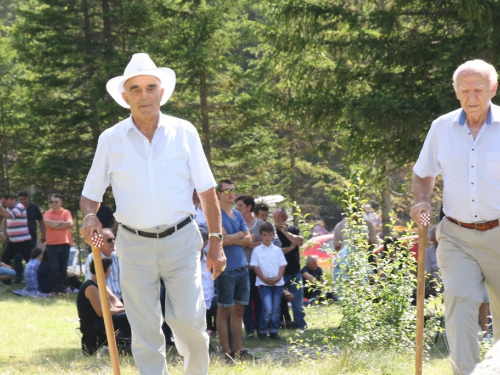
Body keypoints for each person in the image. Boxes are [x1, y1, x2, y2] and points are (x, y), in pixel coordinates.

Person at [80, 53, 225, 375]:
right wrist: (90, 217)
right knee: (144, 328)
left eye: (151, 87)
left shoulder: (184, 132)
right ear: (124, 96)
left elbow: (206, 191)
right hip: (133, 244)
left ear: (162, 92)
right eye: (136, 89)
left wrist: (216, 243)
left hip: (182, 240)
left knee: (189, 321)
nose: (144, 95)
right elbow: (90, 196)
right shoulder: (111, 139)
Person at [410, 59, 500, 374]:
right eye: (464, 90)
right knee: (460, 303)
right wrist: (422, 201)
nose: (471, 97)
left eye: (478, 89)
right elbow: (423, 173)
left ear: (493, 89)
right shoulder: (441, 127)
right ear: (455, 92)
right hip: (456, 234)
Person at [216, 179, 253, 360]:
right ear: (219, 194)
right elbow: (223, 241)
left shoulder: (237, 215)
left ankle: (239, 350)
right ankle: (227, 352)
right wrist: (240, 235)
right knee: (224, 311)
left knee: (239, 311)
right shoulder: (216, 215)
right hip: (225, 270)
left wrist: (234, 236)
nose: (231, 193)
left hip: (242, 268)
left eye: (233, 190)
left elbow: (249, 240)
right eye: (227, 191)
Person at [77, 257, 131, 354]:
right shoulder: (91, 287)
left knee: (130, 314)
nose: (110, 269)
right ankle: (123, 346)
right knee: (128, 316)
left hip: (100, 320)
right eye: (109, 267)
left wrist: (121, 307)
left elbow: (114, 300)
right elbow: (101, 313)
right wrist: (125, 309)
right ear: (102, 270)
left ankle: (123, 344)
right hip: (92, 325)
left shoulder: (100, 283)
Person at [250, 222, 287, 340]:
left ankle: (274, 331)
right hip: (264, 283)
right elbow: (255, 266)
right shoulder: (256, 250)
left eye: (269, 235)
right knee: (267, 308)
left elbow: (282, 265)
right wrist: (264, 279)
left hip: (278, 283)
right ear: (261, 235)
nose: (267, 237)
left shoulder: (277, 250)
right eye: (265, 235)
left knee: (276, 308)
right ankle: (262, 330)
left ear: (273, 236)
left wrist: (278, 278)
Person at [235, 194, 264, 339]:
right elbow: (232, 241)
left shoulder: (259, 224)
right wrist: (248, 241)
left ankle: (260, 327)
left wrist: (248, 242)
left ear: (249, 207)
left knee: (258, 299)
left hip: (258, 268)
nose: (237, 208)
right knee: (244, 300)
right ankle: (249, 331)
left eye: (240, 205)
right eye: (237, 205)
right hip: (242, 265)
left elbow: (269, 241)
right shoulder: (235, 223)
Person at [273, 208, 306, 329]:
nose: (277, 220)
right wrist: (292, 247)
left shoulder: (293, 229)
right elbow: (276, 251)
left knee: (297, 302)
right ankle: (277, 326)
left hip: (294, 272)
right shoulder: (272, 232)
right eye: (275, 217)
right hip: (278, 273)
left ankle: (301, 325)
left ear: (285, 218)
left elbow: (300, 241)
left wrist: (286, 233)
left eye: (279, 217)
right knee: (277, 302)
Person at [11, 191, 46, 283]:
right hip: (19, 238)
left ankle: (33, 276)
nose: (23, 201)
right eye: (20, 199)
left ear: (28, 198)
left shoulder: (34, 208)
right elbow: (7, 220)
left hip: (31, 237)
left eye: (24, 199)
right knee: (18, 257)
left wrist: (44, 234)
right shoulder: (15, 208)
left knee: (31, 256)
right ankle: (18, 277)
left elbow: (41, 221)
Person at [43, 194, 73, 294]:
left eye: (56, 202)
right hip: (51, 244)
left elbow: (69, 224)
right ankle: (53, 290)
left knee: (63, 269)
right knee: (53, 268)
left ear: (61, 203)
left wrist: (54, 224)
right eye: (52, 202)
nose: (53, 204)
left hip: (65, 243)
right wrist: (61, 222)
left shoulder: (66, 212)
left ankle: (63, 290)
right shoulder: (47, 213)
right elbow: (47, 223)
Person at [0, 194, 32, 284]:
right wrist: (5, 234)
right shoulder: (8, 208)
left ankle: (33, 281)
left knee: (29, 260)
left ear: (10, 199)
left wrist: (0, 205)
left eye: (5, 202)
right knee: (5, 257)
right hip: (13, 241)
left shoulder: (19, 207)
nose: (4, 205)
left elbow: (8, 215)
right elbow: (5, 220)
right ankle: (6, 282)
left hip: (23, 240)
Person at [84, 228, 121, 298]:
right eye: (109, 240)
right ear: (100, 243)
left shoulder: (118, 256)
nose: (113, 242)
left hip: (121, 299)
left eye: (114, 239)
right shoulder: (93, 258)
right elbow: (92, 283)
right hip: (104, 300)